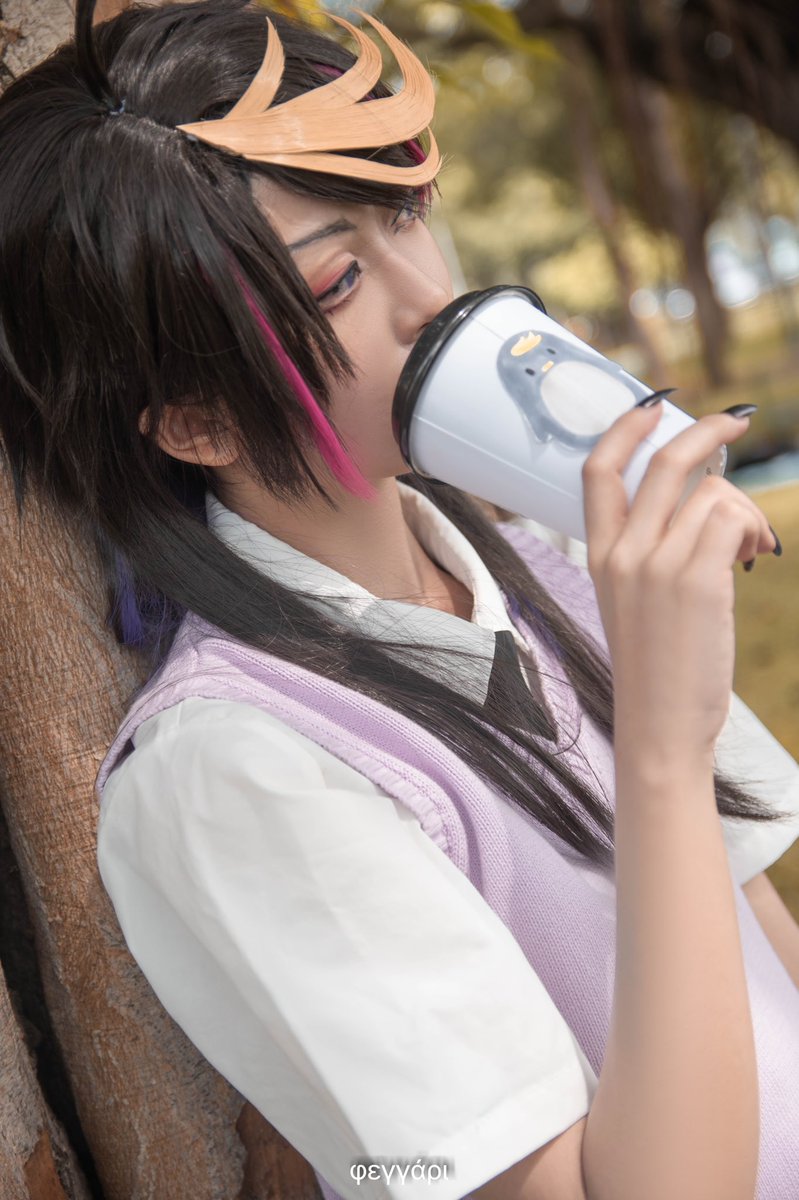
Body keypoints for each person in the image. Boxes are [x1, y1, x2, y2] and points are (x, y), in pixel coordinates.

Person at [0, 2, 797, 1198]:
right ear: (197, 422)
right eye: (336, 281)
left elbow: (767, 968)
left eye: (407, 211)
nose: (433, 297)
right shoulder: (235, 774)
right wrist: (665, 753)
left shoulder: (555, 572)